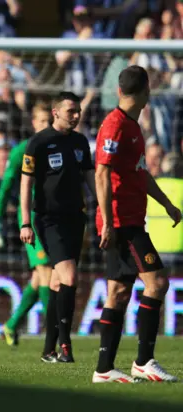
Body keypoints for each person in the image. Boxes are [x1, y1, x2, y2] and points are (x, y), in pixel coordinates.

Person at [92, 66, 181, 383]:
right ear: (146, 91)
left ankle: (104, 369)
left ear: (119, 90)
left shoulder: (131, 126)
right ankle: (144, 361)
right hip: (121, 223)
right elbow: (101, 173)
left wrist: (167, 204)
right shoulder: (115, 125)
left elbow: (139, 174)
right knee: (157, 283)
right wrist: (106, 222)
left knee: (117, 292)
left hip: (128, 219)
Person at [19, 91, 96, 363]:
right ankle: (65, 342)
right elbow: (26, 183)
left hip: (76, 217)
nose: (76, 116)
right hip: (48, 219)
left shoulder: (79, 142)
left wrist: (100, 205)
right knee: (70, 277)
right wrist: (25, 222)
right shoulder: (38, 143)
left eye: (77, 111)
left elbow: (89, 175)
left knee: (57, 281)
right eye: (71, 111)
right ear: (56, 113)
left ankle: (48, 349)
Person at [0, 103, 53, 347]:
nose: (46, 126)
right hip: (32, 220)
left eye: (49, 121)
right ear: (33, 123)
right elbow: (5, 188)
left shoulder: (58, 150)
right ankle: (54, 334)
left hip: (54, 219)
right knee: (47, 271)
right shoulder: (22, 152)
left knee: (39, 277)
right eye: (42, 121)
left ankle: (11, 326)